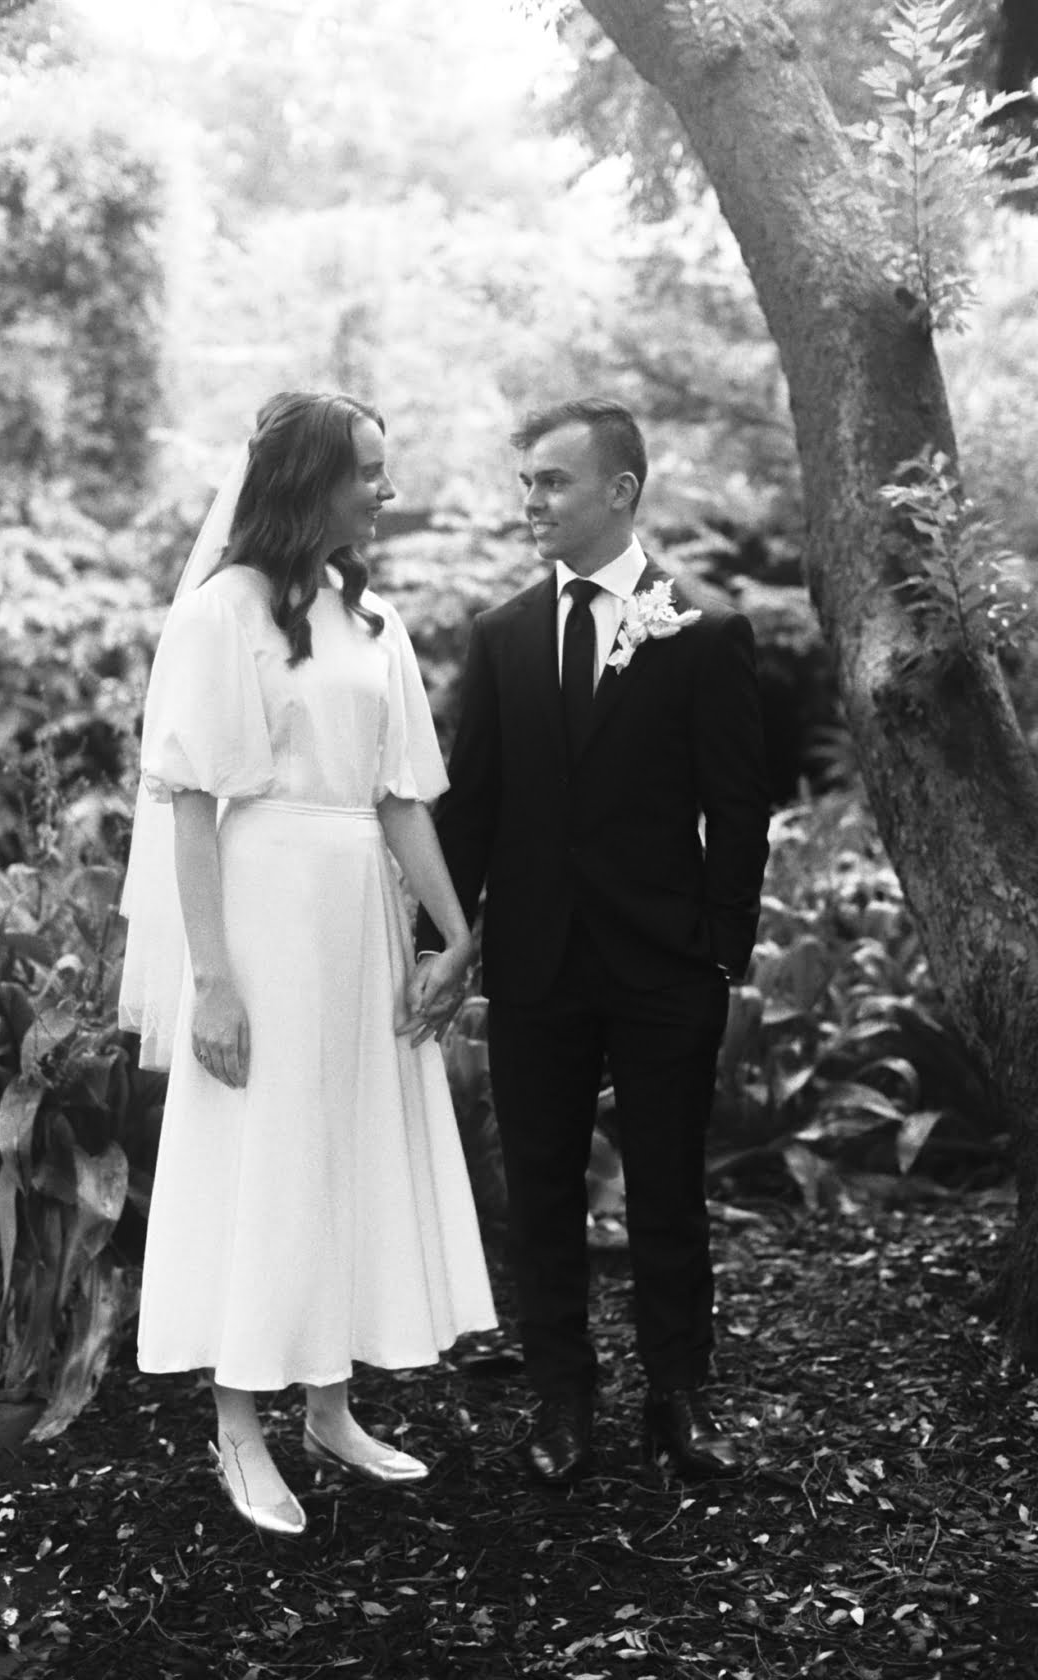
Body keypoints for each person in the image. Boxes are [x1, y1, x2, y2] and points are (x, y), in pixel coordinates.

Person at [118, 391, 496, 1537]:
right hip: (260, 912)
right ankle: (238, 1425)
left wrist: (455, 934)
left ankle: (330, 1407)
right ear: (307, 480)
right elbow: (190, 803)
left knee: (343, 1144)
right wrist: (212, 982)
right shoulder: (219, 614)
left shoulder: (373, 620)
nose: (387, 489)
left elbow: (400, 798)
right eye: (368, 470)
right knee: (263, 1154)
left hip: (356, 915)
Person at [414, 398, 770, 1485]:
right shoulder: (502, 636)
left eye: (552, 481)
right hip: (537, 965)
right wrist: (445, 942)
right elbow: (471, 807)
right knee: (541, 1190)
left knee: (667, 1191)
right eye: (526, 481)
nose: (532, 500)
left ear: (621, 491)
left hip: (665, 964)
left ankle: (679, 1398)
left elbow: (739, 809)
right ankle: (561, 1400)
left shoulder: (703, 630)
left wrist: (721, 951)